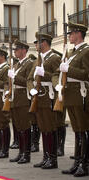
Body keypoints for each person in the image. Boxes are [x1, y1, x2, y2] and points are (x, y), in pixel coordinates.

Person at [54, 21, 89, 177]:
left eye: (72, 33)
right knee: (77, 130)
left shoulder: (86, 51)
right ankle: (77, 162)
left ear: (79, 34)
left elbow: (86, 74)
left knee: (84, 129)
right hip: (70, 94)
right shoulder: (72, 53)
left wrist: (69, 69)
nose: (69, 36)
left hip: (80, 94)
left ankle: (85, 163)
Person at [28, 33, 61, 169]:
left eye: (38, 42)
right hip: (38, 97)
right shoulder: (37, 60)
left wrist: (44, 74)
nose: (36, 45)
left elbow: (57, 76)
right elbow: (29, 78)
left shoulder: (55, 58)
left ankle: (52, 159)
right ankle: (46, 156)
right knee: (43, 128)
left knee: (50, 127)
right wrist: (31, 90)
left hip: (48, 97)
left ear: (45, 43)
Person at [8, 40, 34, 164]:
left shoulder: (29, 64)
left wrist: (15, 77)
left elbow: (28, 82)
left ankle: (26, 154)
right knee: (18, 127)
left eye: (17, 49)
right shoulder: (17, 65)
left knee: (25, 126)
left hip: (23, 98)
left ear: (24, 50)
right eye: (14, 50)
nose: (15, 52)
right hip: (15, 98)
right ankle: (21, 152)